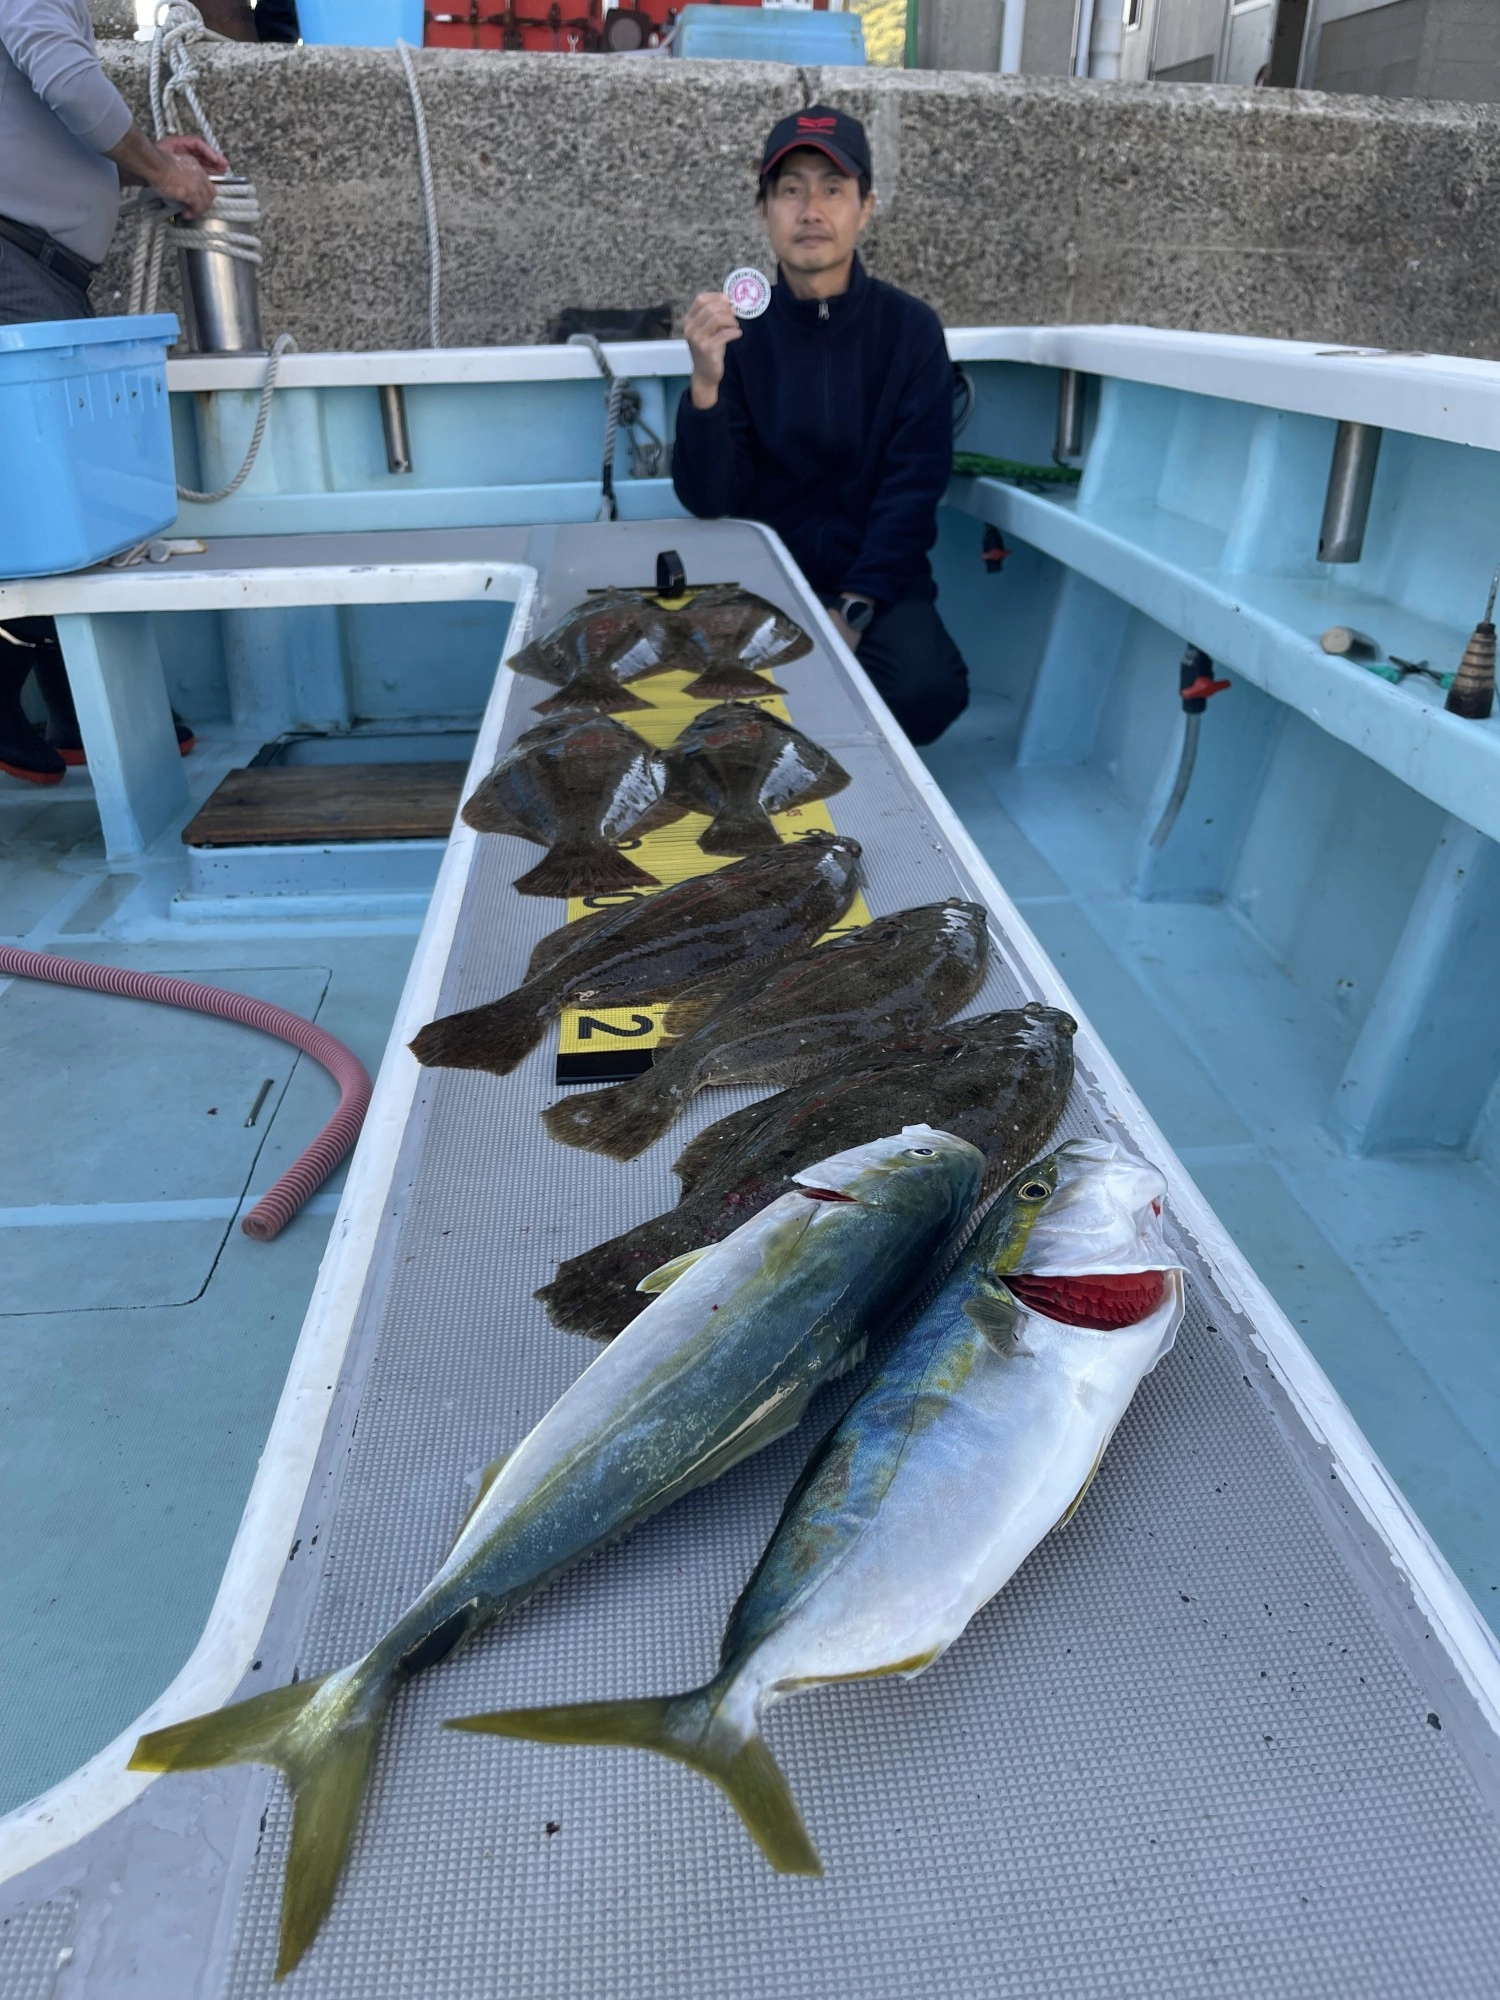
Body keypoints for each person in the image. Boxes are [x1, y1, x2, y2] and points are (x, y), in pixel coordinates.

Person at [672, 104, 968, 747]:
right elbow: (708, 498)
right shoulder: (735, 333)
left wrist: (855, 609)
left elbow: (913, 487)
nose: (812, 210)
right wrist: (704, 383)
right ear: (764, 211)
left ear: (865, 207)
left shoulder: (911, 330)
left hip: (878, 585)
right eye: (791, 190)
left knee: (926, 690)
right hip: (759, 581)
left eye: (833, 189)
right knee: (690, 696)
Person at [0, 0, 223, 784]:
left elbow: (34, 124)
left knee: (62, 497)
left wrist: (141, 157)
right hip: (12, 262)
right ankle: (19, 693)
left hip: (33, 263)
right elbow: (62, 75)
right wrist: (163, 172)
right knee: (54, 496)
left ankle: (72, 711)